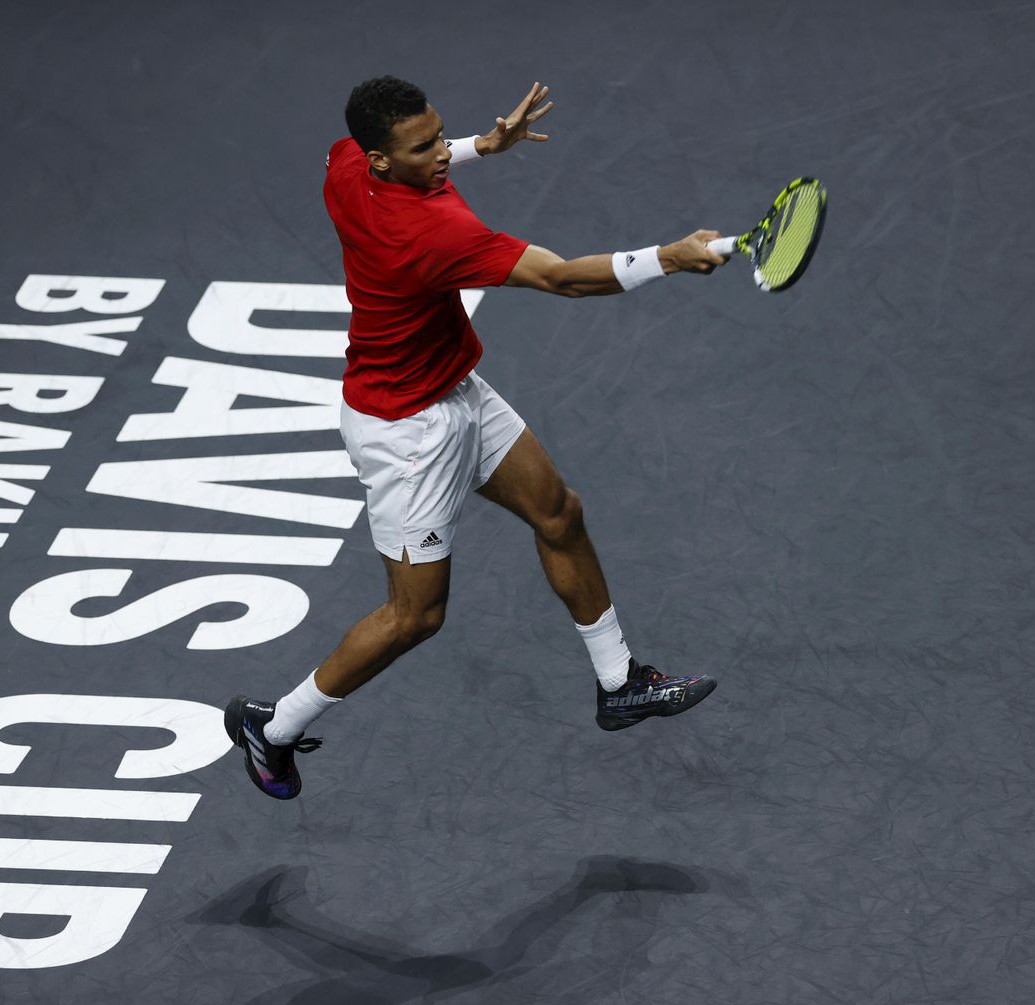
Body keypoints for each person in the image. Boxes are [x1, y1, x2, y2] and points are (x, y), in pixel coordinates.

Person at [224, 76, 729, 800]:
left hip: (454, 388)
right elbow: (561, 280)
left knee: (559, 512)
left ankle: (619, 683)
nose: (439, 153)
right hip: (406, 434)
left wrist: (482, 147)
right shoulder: (431, 233)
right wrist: (670, 259)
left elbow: (416, 156)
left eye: (440, 136)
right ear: (380, 161)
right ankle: (271, 728)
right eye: (423, 147)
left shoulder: (344, 165)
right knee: (415, 617)